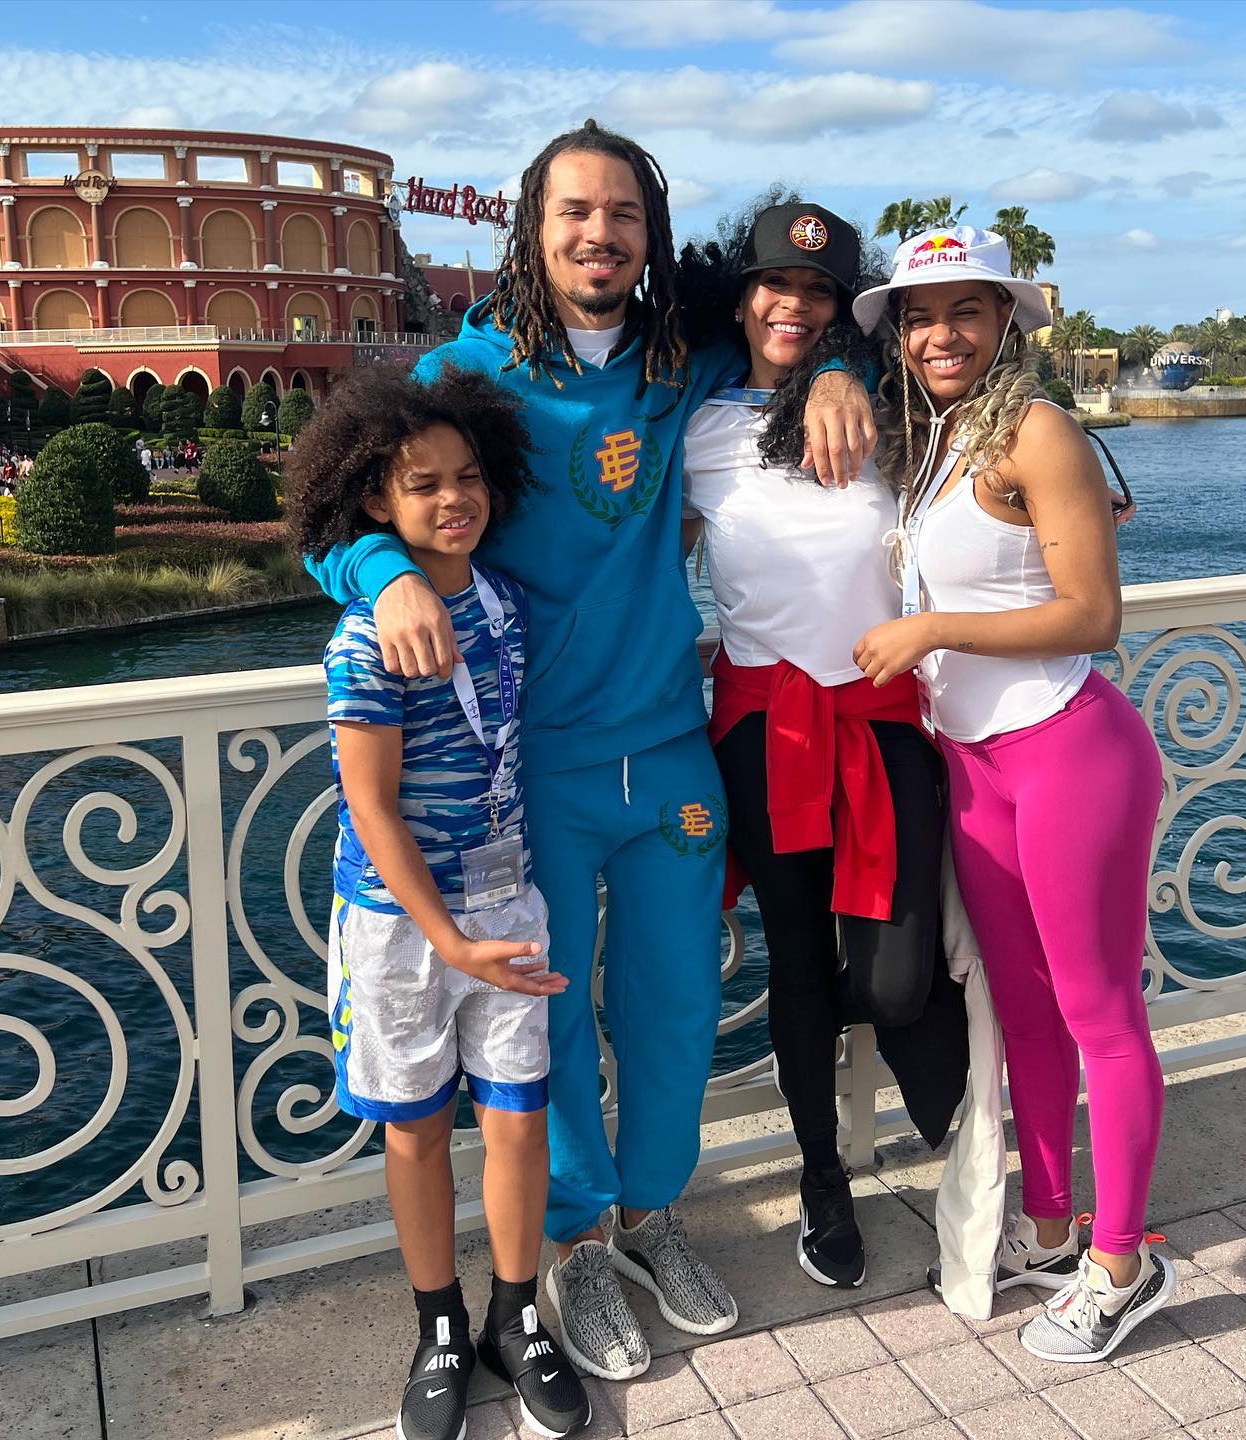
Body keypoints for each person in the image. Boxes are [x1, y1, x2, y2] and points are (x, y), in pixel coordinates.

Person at [305, 119, 875, 1381]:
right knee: (552, 1035)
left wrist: (840, 370)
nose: (600, 234)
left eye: (623, 214)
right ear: (533, 225)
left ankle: (649, 1217)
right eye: (575, 211)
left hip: (670, 744)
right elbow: (339, 509)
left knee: (674, 1008)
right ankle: (568, 1243)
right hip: (534, 777)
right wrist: (388, 570)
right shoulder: (469, 369)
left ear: (650, 235)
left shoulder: (688, 357)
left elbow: (812, 324)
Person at [850, 226, 1172, 1361]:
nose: (942, 335)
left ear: (1007, 324)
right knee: (1025, 1014)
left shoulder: (1038, 434)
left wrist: (934, 627)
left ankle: (1123, 1259)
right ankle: (1049, 1226)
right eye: (921, 317)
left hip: (1068, 752)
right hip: (977, 768)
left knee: (1100, 1014)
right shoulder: (934, 441)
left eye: (966, 313)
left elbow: (1094, 615)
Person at [285, 366, 591, 1440]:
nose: (454, 500)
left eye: (469, 479)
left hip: (509, 902)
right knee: (414, 1130)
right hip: (402, 925)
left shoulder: (499, 602)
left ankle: (517, 1316)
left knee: (518, 1118)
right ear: (378, 501)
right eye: (423, 485)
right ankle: (440, 1327)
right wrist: (443, 936)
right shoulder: (368, 635)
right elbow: (369, 808)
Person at [676, 197, 969, 1289]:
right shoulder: (696, 426)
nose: (793, 304)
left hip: (884, 718)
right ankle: (821, 1180)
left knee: (898, 980)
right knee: (798, 966)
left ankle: (974, 1154)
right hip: (762, 728)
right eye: (775, 285)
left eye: (822, 294)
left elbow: (992, 460)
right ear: (739, 294)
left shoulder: (890, 406)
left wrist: (846, 366)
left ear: (848, 313)